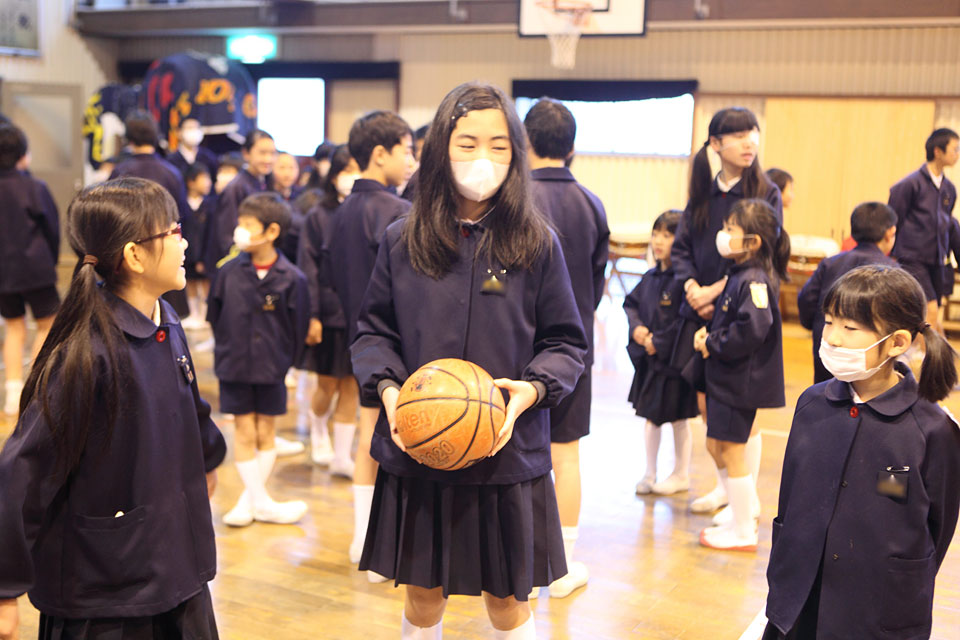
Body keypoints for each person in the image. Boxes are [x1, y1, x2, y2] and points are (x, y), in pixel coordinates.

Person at [352, 81, 587, 640]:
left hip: (506, 451)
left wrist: (533, 389)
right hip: (421, 447)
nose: (484, 158)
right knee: (422, 598)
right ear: (441, 149)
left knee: (507, 603)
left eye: (499, 146)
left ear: (516, 154)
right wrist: (391, 392)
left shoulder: (537, 243)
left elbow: (566, 343)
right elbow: (372, 334)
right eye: (468, 143)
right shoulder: (401, 240)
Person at [0, 177, 226, 639]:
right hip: (107, 589)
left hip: (176, 565)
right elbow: (23, 468)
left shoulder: (166, 319)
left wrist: (208, 456)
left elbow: (188, 402)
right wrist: (4, 589)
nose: (184, 242)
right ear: (135, 256)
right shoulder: (86, 352)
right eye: (173, 231)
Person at [763, 265, 960, 639]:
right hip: (800, 597)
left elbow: (940, 527)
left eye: (850, 328)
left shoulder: (933, 429)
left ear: (897, 342)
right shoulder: (811, 404)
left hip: (878, 608)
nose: (832, 338)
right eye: (829, 322)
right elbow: (789, 499)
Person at [671, 107, 782, 520]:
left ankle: (745, 499)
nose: (749, 141)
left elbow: (768, 255)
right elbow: (682, 248)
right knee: (709, 407)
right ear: (716, 144)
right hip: (700, 311)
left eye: (753, 132)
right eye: (738, 135)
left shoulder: (766, 192)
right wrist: (691, 288)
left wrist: (716, 291)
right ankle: (725, 488)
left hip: (736, 312)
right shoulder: (703, 191)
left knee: (741, 412)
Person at [524, 98, 609, 598]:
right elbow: (596, 286)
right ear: (572, 146)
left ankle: (517, 557)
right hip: (573, 347)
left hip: (516, 345)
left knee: (512, 449)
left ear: (525, 141)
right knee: (567, 454)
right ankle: (561, 569)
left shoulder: (513, 200)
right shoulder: (591, 203)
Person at [327, 109, 414, 576]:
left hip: (358, 342)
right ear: (380, 154)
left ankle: (363, 539)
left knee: (368, 439)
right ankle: (382, 547)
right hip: (395, 347)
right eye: (407, 151)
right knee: (392, 445)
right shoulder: (398, 213)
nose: (411, 161)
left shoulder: (341, 211)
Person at [691, 198, 789, 551]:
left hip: (739, 382)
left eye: (731, 229)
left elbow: (752, 329)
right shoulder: (739, 274)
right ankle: (737, 516)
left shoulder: (755, 281)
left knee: (733, 452)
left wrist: (711, 342)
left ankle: (744, 531)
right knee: (719, 445)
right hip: (726, 378)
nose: (723, 235)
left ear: (753, 242)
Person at [208, 192, 310, 527]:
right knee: (243, 431)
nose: (240, 230)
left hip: (271, 367)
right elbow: (215, 316)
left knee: (266, 432)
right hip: (234, 365)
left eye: (249, 225)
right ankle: (261, 503)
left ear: (272, 231)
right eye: (240, 223)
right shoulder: (227, 272)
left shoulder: (292, 278)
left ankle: (250, 501)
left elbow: (298, 327)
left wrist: (283, 362)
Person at [298, 144, 362, 474]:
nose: (352, 176)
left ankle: (342, 456)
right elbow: (307, 269)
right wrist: (312, 315)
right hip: (328, 312)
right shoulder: (318, 215)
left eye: (356, 169)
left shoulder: (365, 209)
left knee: (351, 384)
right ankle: (318, 428)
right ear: (334, 174)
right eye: (346, 170)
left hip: (359, 314)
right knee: (327, 384)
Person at [624, 210, 697, 496]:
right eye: (656, 234)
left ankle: (681, 474)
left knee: (679, 419)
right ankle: (650, 473)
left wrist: (660, 341)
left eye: (667, 235)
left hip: (674, 363)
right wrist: (637, 329)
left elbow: (686, 319)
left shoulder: (684, 281)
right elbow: (630, 304)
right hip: (651, 363)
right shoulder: (650, 276)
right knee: (651, 418)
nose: (659, 241)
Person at [797, 202, 897, 383]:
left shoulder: (830, 263)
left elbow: (806, 300)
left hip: (828, 351)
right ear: (890, 233)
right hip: (870, 363)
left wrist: (821, 325)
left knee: (825, 394)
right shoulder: (893, 271)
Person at [0, 124, 60, 415]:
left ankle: (12, 393)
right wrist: (52, 259)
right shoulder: (35, 187)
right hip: (36, 268)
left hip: (3, 272)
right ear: (23, 154)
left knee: (14, 327)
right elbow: (52, 228)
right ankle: (34, 390)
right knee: (47, 325)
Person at [109, 110, 192, 318]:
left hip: (130, 256)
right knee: (166, 318)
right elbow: (182, 215)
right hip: (165, 252)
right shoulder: (171, 172)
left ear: (129, 138)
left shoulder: (120, 171)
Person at [887, 128, 959, 331]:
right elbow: (893, 219)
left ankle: (932, 349)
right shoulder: (909, 184)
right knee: (929, 310)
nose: (957, 154)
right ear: (938, 151)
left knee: (934, 314)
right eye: (955, 149)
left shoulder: (949, 189)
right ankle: (922, 351)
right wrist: (891, 255)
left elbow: (947, 224)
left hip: (937, 259)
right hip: (912, 258)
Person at [211, 129, 276, 263]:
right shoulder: (237, 187)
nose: (268, 159)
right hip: (241, 260)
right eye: (262, 153)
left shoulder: (267, 182)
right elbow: (227, 235)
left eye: (272, 153)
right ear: (246, 153)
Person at [182, 162, 216, 331]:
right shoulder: (182, 203)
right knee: (190, 283)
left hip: (204, 253)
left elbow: (211, 233)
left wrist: (204, 257)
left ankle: (204, 315)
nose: (208, 183)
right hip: (187, 252)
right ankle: (193, 314)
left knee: (205, 284)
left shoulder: (210, 205)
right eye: (203, 179)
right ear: (191, 182)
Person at [274, 152, 304, 262]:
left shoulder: (303, 195)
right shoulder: (268, 196)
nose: (287, 173)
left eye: (292, 168)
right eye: (282, 168)